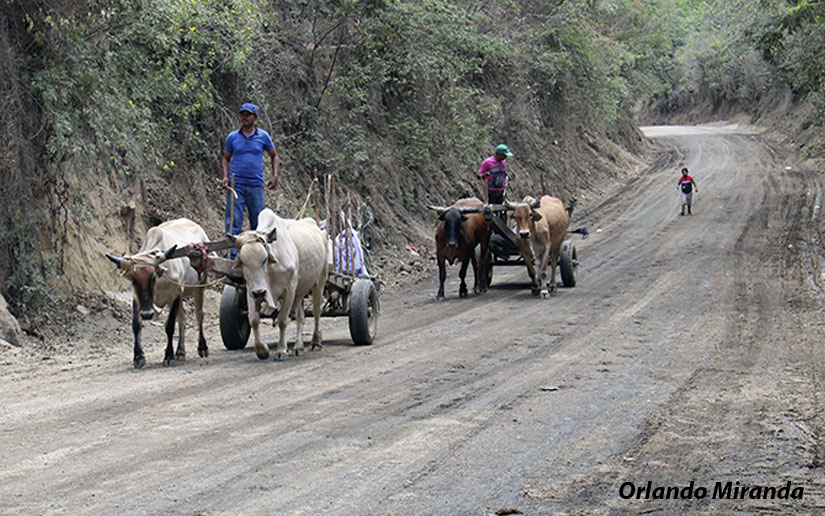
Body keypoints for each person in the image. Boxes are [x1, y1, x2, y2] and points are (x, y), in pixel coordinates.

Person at [221, 102, 279, 238]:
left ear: (255, 118)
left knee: (258, 223)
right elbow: (225, 159)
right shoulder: (232, 137)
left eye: (248, 115)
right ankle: (232, 254)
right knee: (233, 222)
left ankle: (257, 254)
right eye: (242, 115)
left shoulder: (263, 137)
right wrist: (225, 176)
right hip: (236, 186)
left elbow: (274, 155)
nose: (244, 117)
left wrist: (275, 176)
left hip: (256, 185)